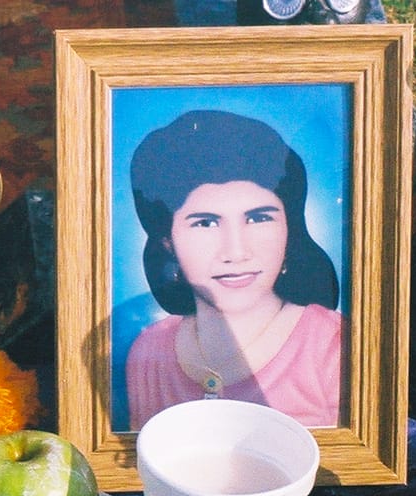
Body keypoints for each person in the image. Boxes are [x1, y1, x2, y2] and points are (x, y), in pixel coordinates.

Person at [123, 109, 345, 430]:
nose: (236, 251)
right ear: (167, 241)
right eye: (206, 223)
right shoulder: (149, 351)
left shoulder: (334, 346)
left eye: (258, 218)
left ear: (290, 227)